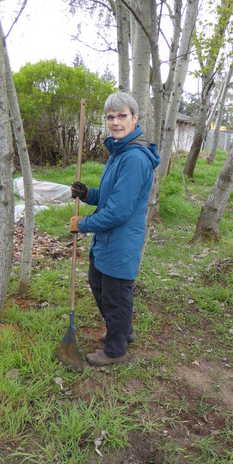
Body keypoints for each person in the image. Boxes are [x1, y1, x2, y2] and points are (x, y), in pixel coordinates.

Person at [69, 91, 160, 366]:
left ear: (135, 117)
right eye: (110, 117)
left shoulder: (134, 159)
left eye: (122, 116)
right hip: (108, 239)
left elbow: (118, 211)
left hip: (121, 241)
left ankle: (115, 350)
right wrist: (88, 194)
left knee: (116, 295)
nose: (116, 122)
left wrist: (82, 224)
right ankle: (123, 329)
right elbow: (112, 197)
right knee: (99, 284)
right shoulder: (119, 151)